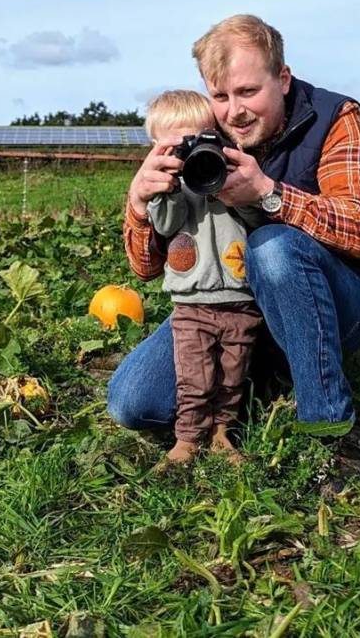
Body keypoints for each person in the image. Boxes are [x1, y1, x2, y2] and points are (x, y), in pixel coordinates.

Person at [108, 14, 360, 438]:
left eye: (249, 92)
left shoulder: (336, 117)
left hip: (337, 306)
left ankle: (328, 427)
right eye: (220, 95)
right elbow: (145, 269)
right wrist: (140, 202)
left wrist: (267, 194)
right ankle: (260, 375)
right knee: (134, 402)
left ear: (284, 78)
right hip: (225, 305)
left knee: (273, 248)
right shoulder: (204, 132)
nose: (234, 112)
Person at [141, 89, 263, 465]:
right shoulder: (170, 191)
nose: (190, 153)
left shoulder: (228, 176)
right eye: (178, 147)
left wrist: (233, 188)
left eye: (197, 141)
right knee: (194, 376)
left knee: (232, 374)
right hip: (191, 303)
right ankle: (188, 438)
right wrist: (169, 186)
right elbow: (163, 225)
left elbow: (259, 222)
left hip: (239, 298)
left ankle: (221, 431)